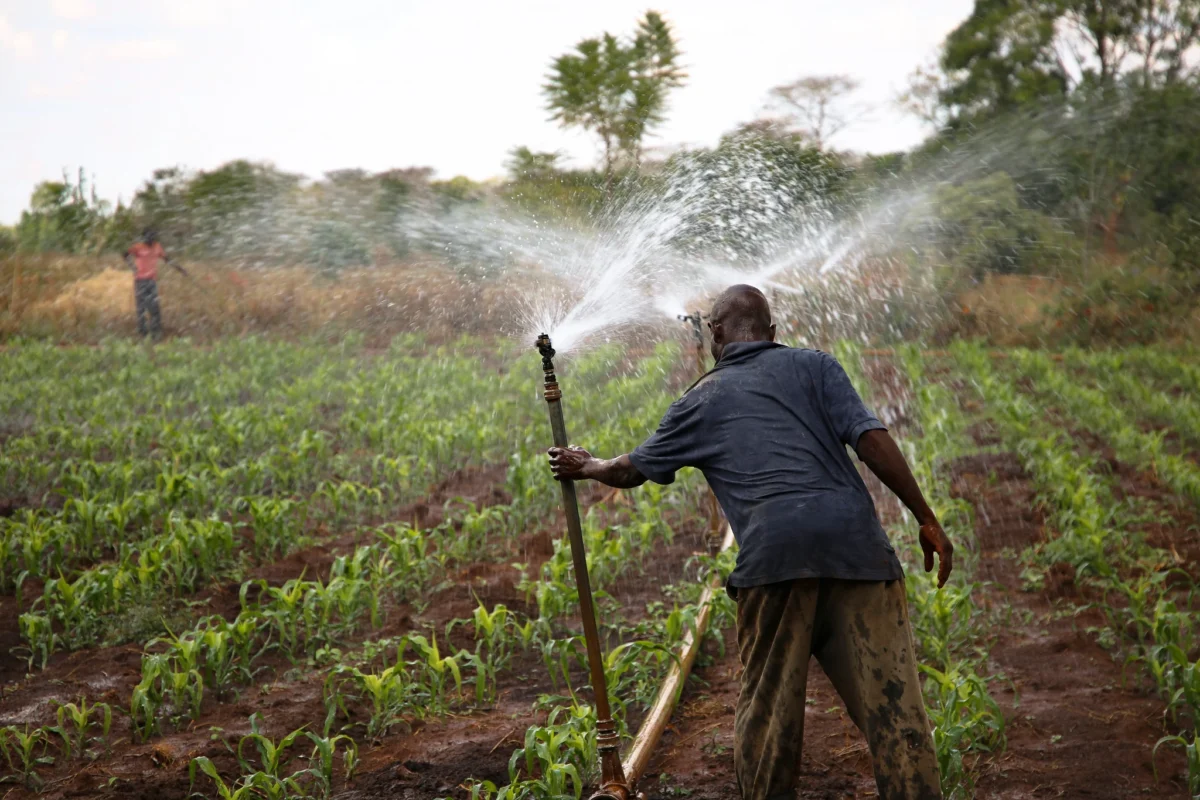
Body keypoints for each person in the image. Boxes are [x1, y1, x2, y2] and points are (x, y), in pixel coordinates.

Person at [547, 284, 952, 800]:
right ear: (773, 334)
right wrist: (925, 516)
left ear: (715, 332)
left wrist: (588, 466)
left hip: (774, 562)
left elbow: (631, 470)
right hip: (860, 553)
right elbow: (872, 440)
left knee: (768, 722)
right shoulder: (818, 366)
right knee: (898, 715)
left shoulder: (702, 397)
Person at [124, 229, 187, 339]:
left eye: (153, 236)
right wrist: (132, 267)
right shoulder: (138, 247)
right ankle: (143, 333)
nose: (151, 239)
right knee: (141, 308)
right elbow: (125, 254)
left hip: (151, 281)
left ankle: (156, 333)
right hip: (140, 281)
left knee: (155, 308)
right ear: (144, 237)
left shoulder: (157, 247)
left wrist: (180, 269)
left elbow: (167, 259)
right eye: (149, 237)